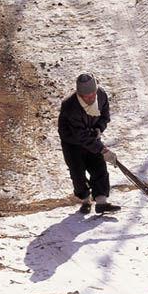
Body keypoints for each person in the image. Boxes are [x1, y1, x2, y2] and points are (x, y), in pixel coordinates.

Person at [58, 73, 120, 214]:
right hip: (72, 143)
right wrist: (104, 150)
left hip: (91, 136)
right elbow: (81, 136)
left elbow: (105, 116)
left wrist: (98, 129)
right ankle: (85, 200)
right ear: (79, 94)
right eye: (86, 97)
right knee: (77, 173)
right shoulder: (70, 106)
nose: (91, 98)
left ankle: (101, 202)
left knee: (99, 167)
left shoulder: (102, 95)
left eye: (93, 94)